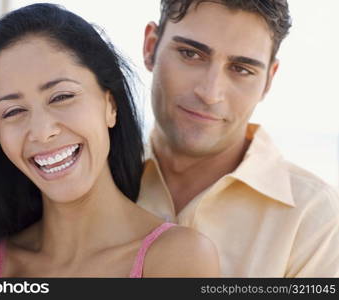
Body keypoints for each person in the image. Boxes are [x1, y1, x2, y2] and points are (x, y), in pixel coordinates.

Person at [0, 3, 219, 278]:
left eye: (62, 96)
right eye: (13, 111)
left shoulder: (178, 259)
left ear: (110, 105)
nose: (41, 131)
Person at [139, 0, 339, 277]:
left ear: (268, 80)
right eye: (190, 54)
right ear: (150, 47)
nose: (210, 93)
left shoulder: (316, 218)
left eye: (242, 69)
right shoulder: (90, 177)